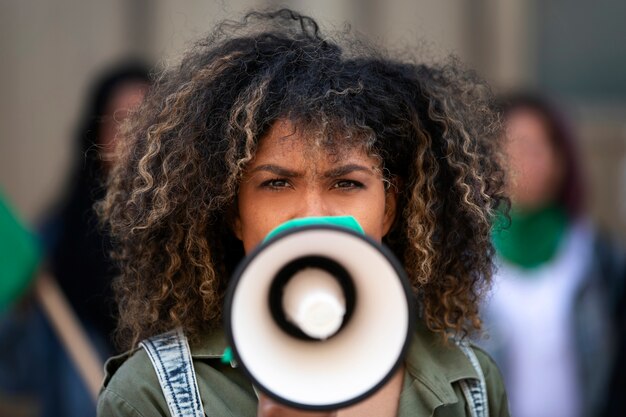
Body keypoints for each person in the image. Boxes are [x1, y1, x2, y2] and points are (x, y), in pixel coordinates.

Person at [96, 9, 510, 417]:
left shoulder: (473, 387)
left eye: (347, 183)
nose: (312, 214)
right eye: (276, 183)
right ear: (233, 214)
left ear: (390, 208)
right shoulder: (148, 395)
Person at [0, 63, 150, 417]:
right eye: (122, 121)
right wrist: (19, 310)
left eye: (149, 120)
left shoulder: (199, 242)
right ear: (96, 136)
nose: (136, 137)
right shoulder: (55, 245)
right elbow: (16, 375)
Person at [480, 93, 626, 417]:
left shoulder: (600, 261)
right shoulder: (463, 262)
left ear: (561, 161)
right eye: (510, 145)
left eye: (535, 146)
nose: (522, 160)